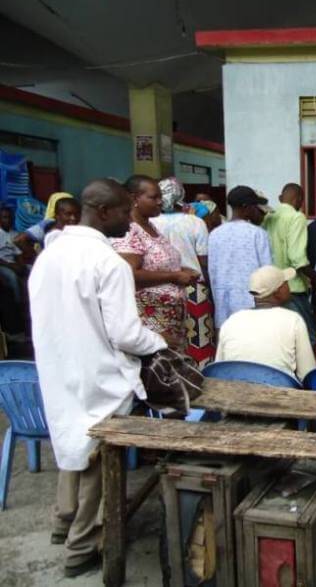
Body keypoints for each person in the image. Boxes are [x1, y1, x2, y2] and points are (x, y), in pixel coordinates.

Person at [28, 178, 167, 577]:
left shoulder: (49, 255)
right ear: (103, 212)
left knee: (70, 436)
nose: (130, 221)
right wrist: (159, 344)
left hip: (58, 364)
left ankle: (62, 520)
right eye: (125, 212)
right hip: (100, 370)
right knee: (95, 457)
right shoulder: (108, 262)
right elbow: (125, 333)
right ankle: (82, 546)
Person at [112, 175, 198, 348]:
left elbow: (157, 264)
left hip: (170, 319)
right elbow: (128, 273)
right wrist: (174, 277)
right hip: (151, 321)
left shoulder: (151, 227)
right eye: (153, 197)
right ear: (134, 198)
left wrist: (183, 271)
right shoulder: (130, 231)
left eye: (160, 196)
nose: (160, 202)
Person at [151, 177, 215, 365]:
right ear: (182, 195)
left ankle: (172, 374)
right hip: (194, 287)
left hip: (161, 287)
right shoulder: (195, 222)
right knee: (200, 337)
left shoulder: (151, 223)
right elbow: (204, 259)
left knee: (169, 336)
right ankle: (202, 372)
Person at [215, 265, 315, 380]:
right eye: (285, 283)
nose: (289, 287)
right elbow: (307, 374)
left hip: (236, 389)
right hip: (280, 390)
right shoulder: (293, 320)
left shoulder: (231, 321)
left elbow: (219, 371)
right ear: (278, 291)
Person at [208, 186, 272, 329]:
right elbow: (267, 272)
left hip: (223, 304)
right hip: (252, 305)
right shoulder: (257, 234)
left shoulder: (215, 234)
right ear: (246, 207)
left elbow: (212, 271)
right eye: (254, 206)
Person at [264, 182, 316, 339]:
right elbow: (296, 257)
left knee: (282, 336)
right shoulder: (297, 217)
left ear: (281, 198)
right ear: (300, 199)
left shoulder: (269, 217)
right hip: (293, 287)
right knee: (307, 336)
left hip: (272, 287)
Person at [15, 195, 81, 258]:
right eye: (68, 214)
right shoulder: (48, 225)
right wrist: (38, 258)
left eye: (76, 214)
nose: (73, 218)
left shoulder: (80, 228)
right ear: (57, 214)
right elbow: (19, 240)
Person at [0, 206, 27, 338]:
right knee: (12, 277)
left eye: (10, 217)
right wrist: (12, 267)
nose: (8, 220)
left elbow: (18, 255)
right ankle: (18, 304)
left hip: (14, 263)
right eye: (5, 217)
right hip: (3, 264)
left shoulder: (14, 234)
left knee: (31, 269)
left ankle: (29, 299)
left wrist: (20, 265)